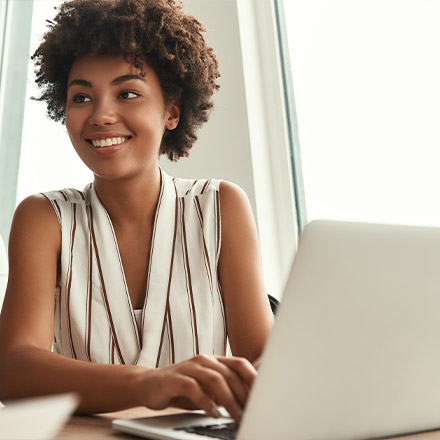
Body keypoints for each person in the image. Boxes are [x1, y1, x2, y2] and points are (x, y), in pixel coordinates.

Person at [0, 0, 273, 422]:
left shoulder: (220, 207)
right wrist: (151, 383)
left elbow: (265, 364)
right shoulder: (45, 218)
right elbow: (13, 369)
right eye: (81, 97)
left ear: (171, 111)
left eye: (127, 93)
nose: (100, 115)